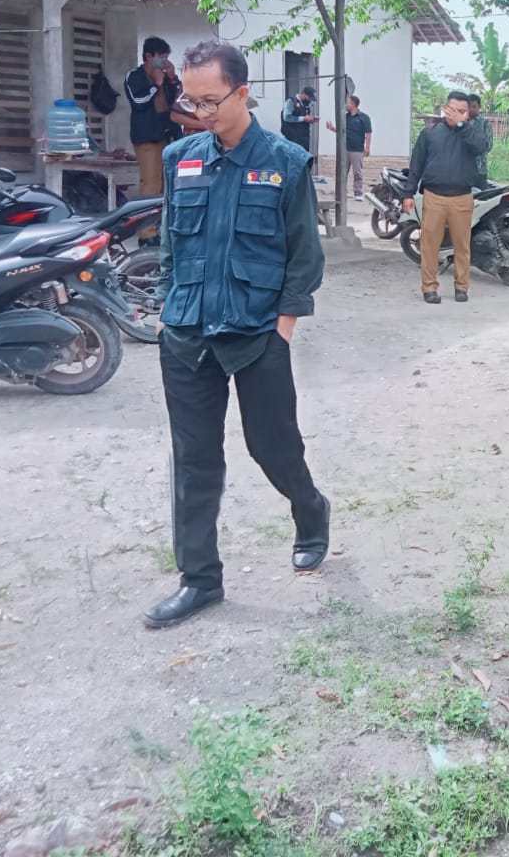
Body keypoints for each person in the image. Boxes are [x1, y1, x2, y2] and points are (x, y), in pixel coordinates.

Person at [144, 40, 329, 629]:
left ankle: (310, 510)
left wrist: (282, 330)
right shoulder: (180, 158)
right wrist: (167, 306)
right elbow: (170, 244)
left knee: (272, 446)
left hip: (256, 334)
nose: (198, 112)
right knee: (194, 460)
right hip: (187, 333)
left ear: (243, 94)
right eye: (189, 100)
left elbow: (304, 256)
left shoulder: (285, 162)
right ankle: (199, 579)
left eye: (210, 101)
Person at [402, 90, 490, 304]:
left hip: (462, 198)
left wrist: (462, 125)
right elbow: (416, 164)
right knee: (429, 245)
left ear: (468, 113)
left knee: (462, 246)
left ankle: (461, 287)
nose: (458, 114)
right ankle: (429, 288)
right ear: (446, 108)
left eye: (463, 111)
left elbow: (482, 147)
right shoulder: (430, 133)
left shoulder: (471, 134)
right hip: (434, 197)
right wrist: (408, 193)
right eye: (454, 110)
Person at [125, 37, 182, 239]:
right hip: (147, 136)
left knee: (165, 185)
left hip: (166, 134)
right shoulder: (135, 76)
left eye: (167, 57)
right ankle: (146, 233)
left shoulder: (165, 76)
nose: (165, 61)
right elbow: (138, 101)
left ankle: (160, 229)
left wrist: (172, 79)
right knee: (151, 183)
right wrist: (156, 85)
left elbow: (178, 101)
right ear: (149, 56)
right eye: (161, 57)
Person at [324, 94, 372, 197]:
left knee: (357, 173)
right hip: (345, 148)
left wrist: (367, 148)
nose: (345, 105)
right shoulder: (345, 117)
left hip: (357, 149)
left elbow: (368, 132)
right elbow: (341, 131)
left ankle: (358, 192)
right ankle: (342, 192)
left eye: (347, 103)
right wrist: (332, 128)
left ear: (353, 104)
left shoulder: (364, 118)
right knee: (343, 172)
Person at [465, 94, 493, 186]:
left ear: (479, 107)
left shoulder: (484, 123)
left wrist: (474, 150)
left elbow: (489, 145)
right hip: (462, 169)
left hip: (480, 168)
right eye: (469, 107)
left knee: (480, 193)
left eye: (474, 107)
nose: (471, 109)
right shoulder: (462, 122)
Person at [281, 86, 317, 151]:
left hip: (304, 137)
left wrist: (311, 119)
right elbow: (287, 117)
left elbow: (303, 117)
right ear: (303, 93)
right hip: (293, 138)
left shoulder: (305, 104)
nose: (309, 100)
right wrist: (303, 118)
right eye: (308, 98)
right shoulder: (291, 102)